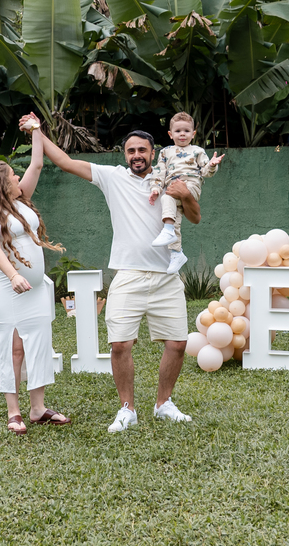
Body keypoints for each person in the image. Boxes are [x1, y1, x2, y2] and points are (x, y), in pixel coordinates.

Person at [35, 124, 200, 433]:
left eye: (142, 150)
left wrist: (184, 195)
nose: (137, 155)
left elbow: (195, 216)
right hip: (128, 275)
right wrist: (37, 131)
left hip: (167, 276)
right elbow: (65, 162)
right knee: (121, 344)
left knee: (178, 344)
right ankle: (127, 409)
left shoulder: (169, 177)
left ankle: (163, 403)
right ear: (124, 155)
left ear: (153, 153)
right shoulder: (113, 177)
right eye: (131, 150)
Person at [0, 116, 70, 435]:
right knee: (12, 348)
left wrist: (37, 130)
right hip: (7, 288)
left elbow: (38, 163)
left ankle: (38, 409)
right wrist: (14, 275)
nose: (19, 177)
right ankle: (13, 411)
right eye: (13, 175)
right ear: (3, 183)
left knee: (39, 344)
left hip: (36, 289)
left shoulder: (20, 199)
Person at [148, 111, 224, 273]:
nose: (182, 134)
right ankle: (176, 253)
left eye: (186, 131)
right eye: (178, 131)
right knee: (174, 218)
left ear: (193, 134)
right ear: (170, 134)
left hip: (191, 185)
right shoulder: (165, 152)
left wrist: (212, 165)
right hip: (172, 187)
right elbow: (160, 172)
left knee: (167, 200)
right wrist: (155, 188)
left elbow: (205, 172)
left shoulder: (197, 151)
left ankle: (167, 231)